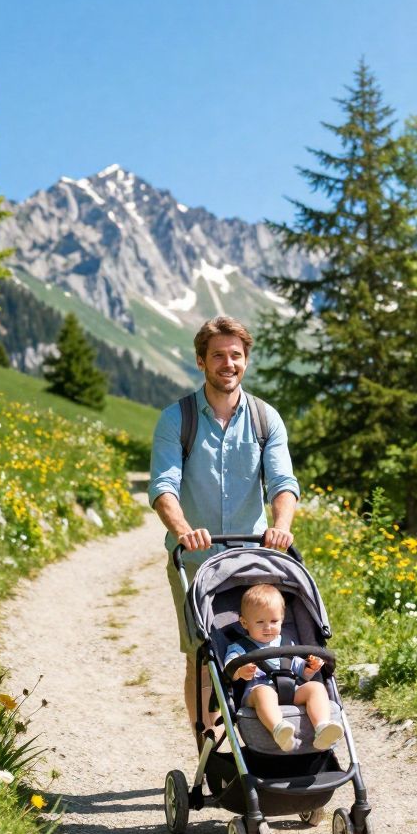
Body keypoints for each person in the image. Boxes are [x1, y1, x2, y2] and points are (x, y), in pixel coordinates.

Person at [148, 315, 300, 746]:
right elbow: (163, 487)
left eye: (236, 355)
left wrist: (281, 527)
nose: (228, 363)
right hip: (196, 562)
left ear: (246, 361)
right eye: (218, 355)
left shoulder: (265, 419)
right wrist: (182, 530)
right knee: (202, 658)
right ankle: (211, 747)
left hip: (253, 560)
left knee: (266, 649)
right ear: (202, 361)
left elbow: (283, 483)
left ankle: (264, 740)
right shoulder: (176, 419)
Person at [225, 585, 343, 752]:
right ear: (244, 623)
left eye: (274, 621)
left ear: (281, 619)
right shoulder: (239, 647)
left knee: (316, 687)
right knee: (264, 692)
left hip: (290, 690)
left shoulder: (286, 643)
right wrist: (241, 670)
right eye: (260, 622)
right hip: (256, 692)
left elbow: (299, 670)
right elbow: (230, 668)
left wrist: (310, 668)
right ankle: (279, 729)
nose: (268, 627)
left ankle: (322, 728)